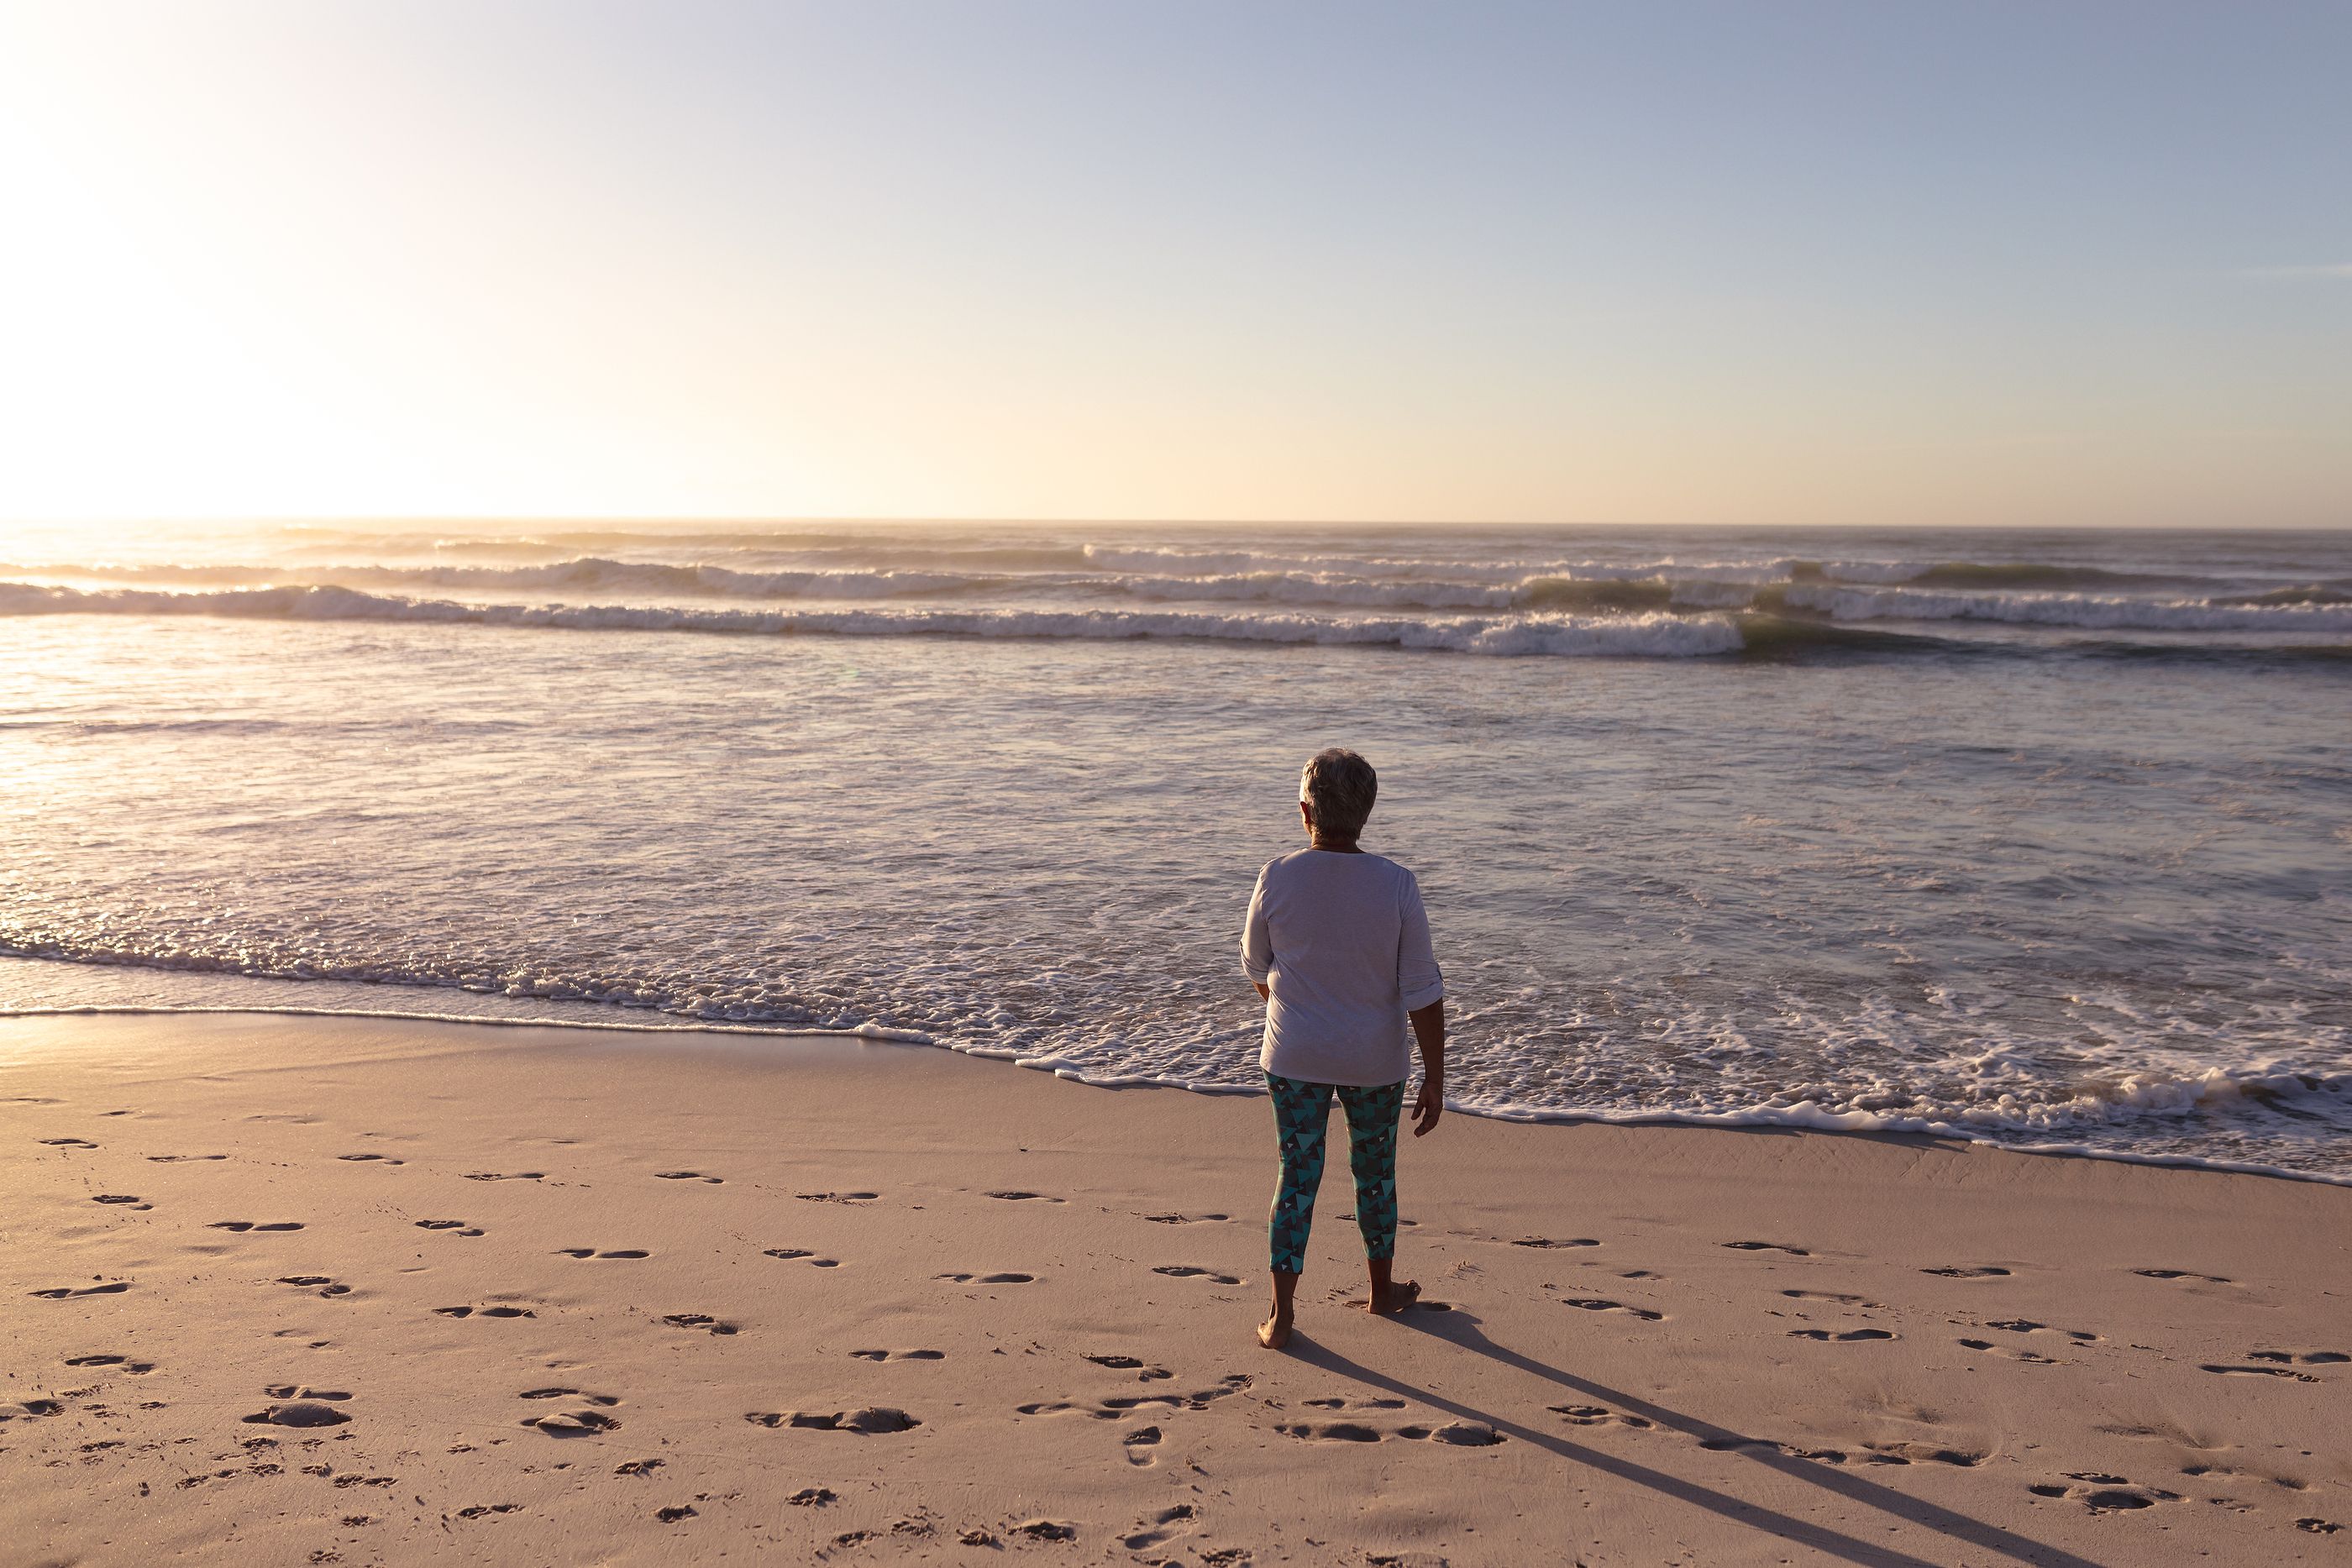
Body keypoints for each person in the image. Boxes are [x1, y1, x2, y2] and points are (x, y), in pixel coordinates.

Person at [1240, 747, 1445, 1350]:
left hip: (1294, 1053)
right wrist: (1436, 1074)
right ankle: (1381, 1292)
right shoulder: (1397, 884)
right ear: (1367, 812)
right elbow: (1422, 990)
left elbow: (1255, 962)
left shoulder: (1277, 874)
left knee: (1296, 1175)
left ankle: (1281, 1317)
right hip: (1372, 1060)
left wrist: (1294, 1007)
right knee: (1375, 1174)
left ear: (1306, 813)